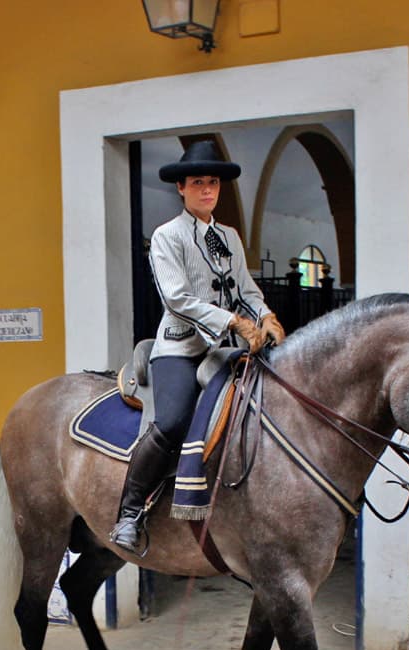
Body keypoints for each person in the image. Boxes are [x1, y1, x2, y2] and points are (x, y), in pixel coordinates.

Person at [111, 140, 285, 551]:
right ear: (181, 189)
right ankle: (130, 513)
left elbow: (245, 288)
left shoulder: (228, 236)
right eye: (197, 183)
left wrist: (265, 317)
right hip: (180, 349)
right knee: (171, 421)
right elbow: (177, 299)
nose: (207, 190)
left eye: (212, 183)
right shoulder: (166, 237)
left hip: (225, 350)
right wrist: (234, 321)